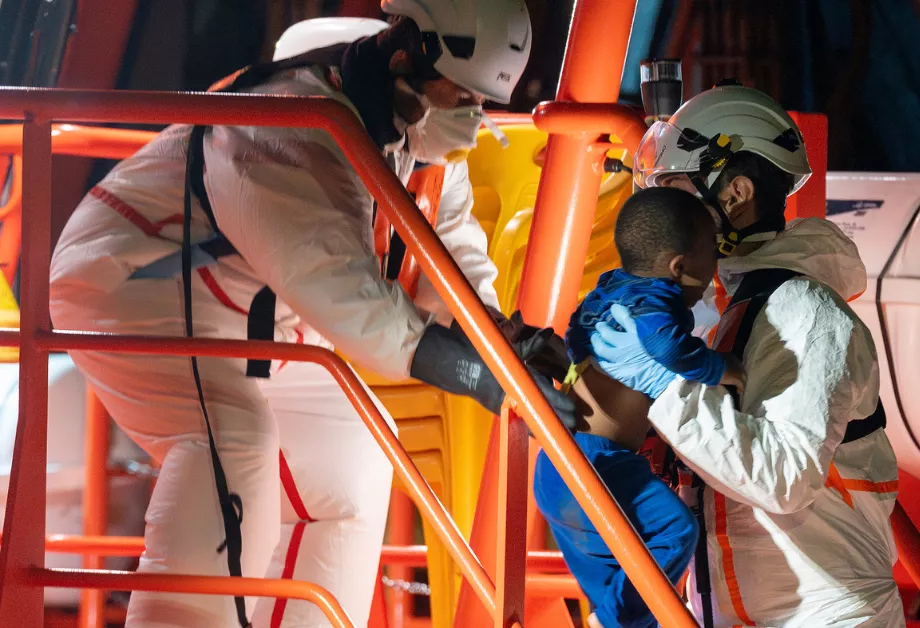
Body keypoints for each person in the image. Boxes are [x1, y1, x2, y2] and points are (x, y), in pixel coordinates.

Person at [47, 2, 574, 627]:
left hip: (248, 315)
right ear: (404, 58)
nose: (474, 115)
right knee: (230, 445)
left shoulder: (418, 138)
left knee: (353, 451)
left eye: (483, 101)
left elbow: (449, 259)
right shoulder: (290, 122)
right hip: (134, 285)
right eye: (463, 95)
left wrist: (503, 340)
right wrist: (480, 377)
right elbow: (343, 290)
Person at [590, 85, 904, 627]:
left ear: (735, 193)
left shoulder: (806, 311)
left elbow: (784, 476)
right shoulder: (730, 313)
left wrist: (665, 387)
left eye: (676, 194)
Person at [533, 187, 743, 628]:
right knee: (675, 532)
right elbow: (667, 347)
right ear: (679, 266)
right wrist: (725, 370)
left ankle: (608, 619)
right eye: (712, 252)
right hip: (600, 467)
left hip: (557, 465)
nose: (716, 265)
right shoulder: (657, 301)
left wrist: (583, 360)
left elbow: (576, 329)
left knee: (631, 594)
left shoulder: (612, 285)